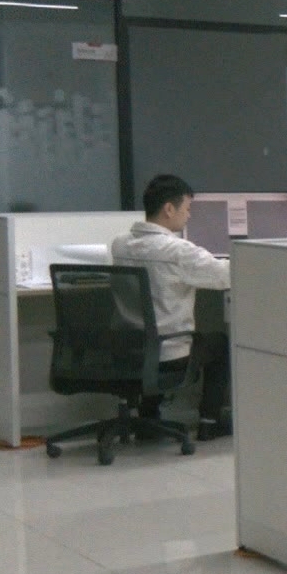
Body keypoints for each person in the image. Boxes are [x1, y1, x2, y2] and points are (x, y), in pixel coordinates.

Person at [110, 174, 232, 440]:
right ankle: (209, 422)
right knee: (220, 344)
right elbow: (226, 276)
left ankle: (149, 417)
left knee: (155, 333)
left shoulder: (119, 245)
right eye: (187, 208)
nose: (189, 215)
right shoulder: (178, 251)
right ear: (169, 209)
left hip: (128, 349)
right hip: (168, 354)